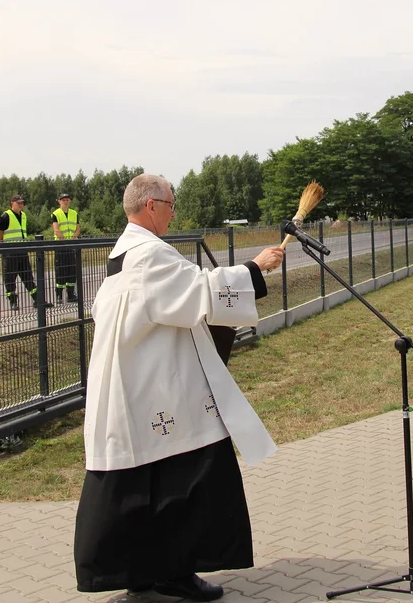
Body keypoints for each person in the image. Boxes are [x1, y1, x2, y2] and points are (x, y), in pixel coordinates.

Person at [73, 173, 285, 601]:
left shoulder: (121, 254)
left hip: (133, 386)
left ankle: (145, 574)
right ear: (151, 206)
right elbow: (200, 291)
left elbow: (180, 298)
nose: (173, 211)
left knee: (143, 481)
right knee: (191, 473)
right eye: (171, 204)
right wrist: (255, 268)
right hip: (158, 390)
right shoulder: (150, 253)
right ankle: (175, 571)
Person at [0, 194, 42, 310]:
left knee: (28, 276)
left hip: (22, 251)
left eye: (22, 203)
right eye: (18, 203)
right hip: (10, 252)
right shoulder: (6, 216)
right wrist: (5, 248)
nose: (21, 205)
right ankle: (13, 302)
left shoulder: (24, 216)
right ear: (12, 203)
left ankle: (37, 300)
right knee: (10, 279)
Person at [51, 193, 80, 304]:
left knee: (71, 270)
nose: (65, 202)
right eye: (63, 200)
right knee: (60, 270)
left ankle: (71, 294)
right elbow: (56, 230)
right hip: (60, 245)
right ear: (59, 201)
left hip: (71, 245)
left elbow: (77, 229)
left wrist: (73, 238)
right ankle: (59, 295)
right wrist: (64, 240)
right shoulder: (55, 214)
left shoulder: (74, 213)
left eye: (67, 200)